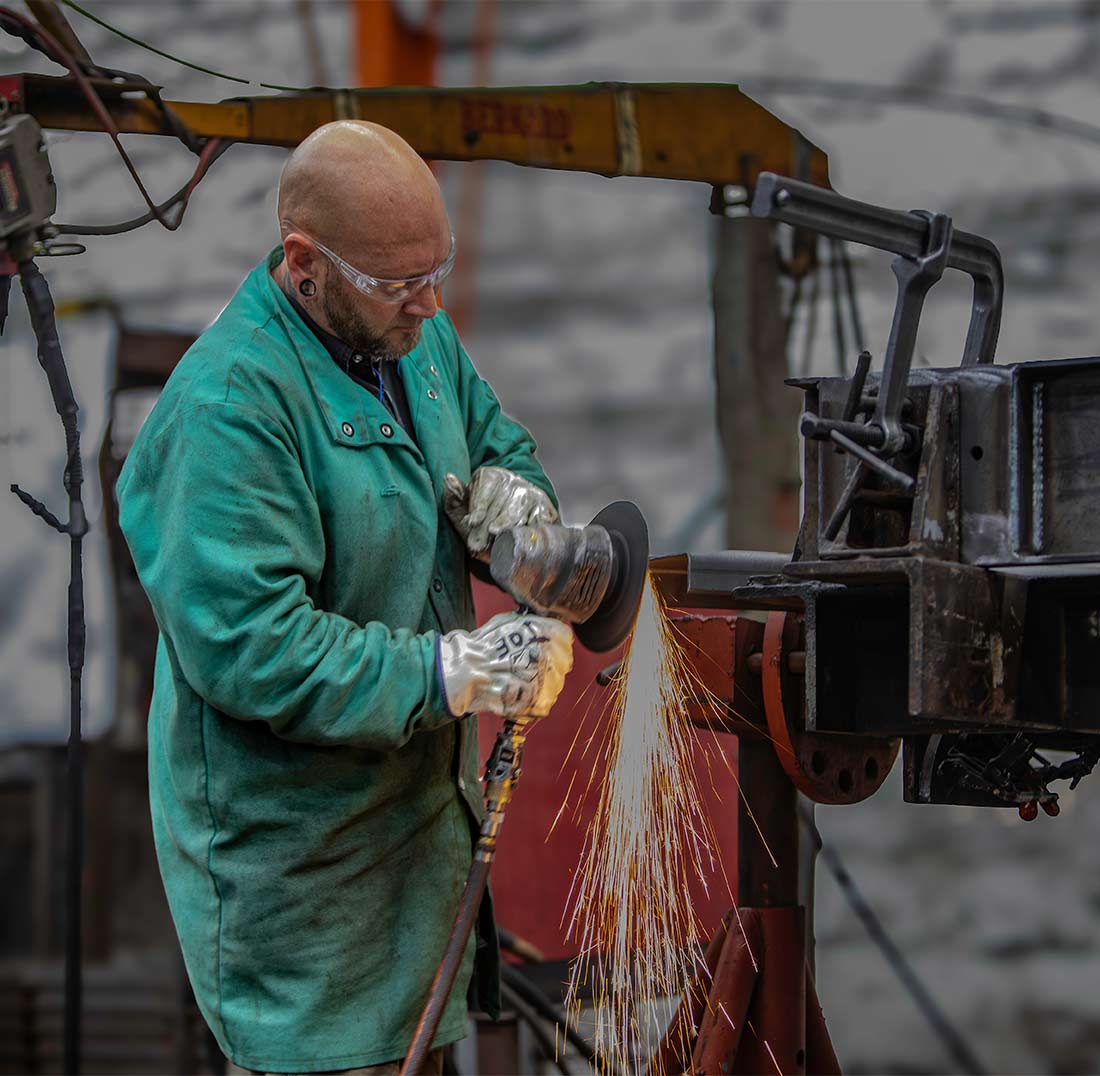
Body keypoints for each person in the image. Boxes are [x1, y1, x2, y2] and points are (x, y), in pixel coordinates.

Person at [116, 120, 575, 1075]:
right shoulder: (228, 409)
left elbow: (497, 441)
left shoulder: (417, 337)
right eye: (401, 284)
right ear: (304, 263)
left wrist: (518, 510)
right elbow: (254, 647)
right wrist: (450, 671)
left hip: (419, 844)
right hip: (302, 881)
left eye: (435, 272)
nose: (431, 303)